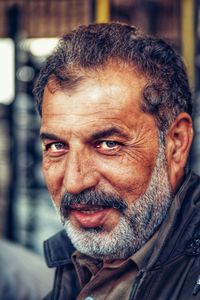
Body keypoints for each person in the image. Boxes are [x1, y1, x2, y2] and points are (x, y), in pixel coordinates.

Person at [33, 23, 200, 300]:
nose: (74, 182)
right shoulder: (75, 267)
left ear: (176, 143)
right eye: (57, 146)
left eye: (108, 144)